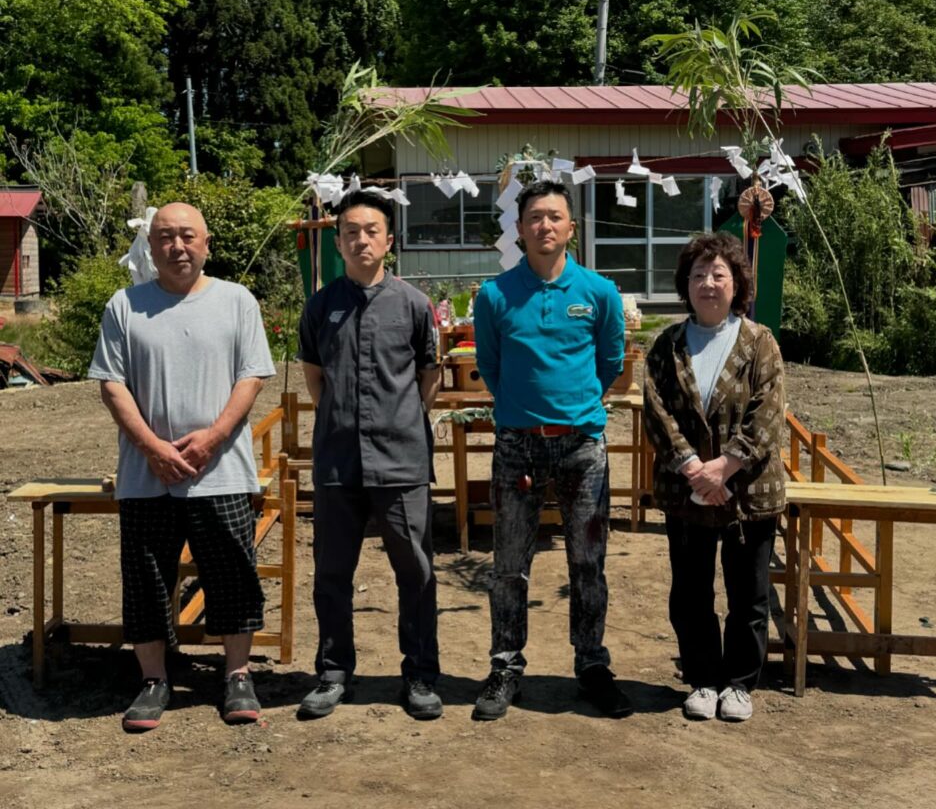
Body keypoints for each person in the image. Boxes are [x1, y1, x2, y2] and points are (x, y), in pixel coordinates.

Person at [89, 202, 276, 732]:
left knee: (232, 574)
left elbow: (251, 378)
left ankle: (237, 674)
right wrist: (153, 447)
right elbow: (111, 384)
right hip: (146, 474)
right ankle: (153, 679)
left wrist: (212, 439)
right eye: (166, 237)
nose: (178, 246)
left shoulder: (236, 301)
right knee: (146, 579)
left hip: (221, 470)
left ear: (206, 243)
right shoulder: (125, 306)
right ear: (150, 247)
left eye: (188, 236)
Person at [471, 180, 632, 721]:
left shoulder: (599, 293)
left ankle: (592, 665)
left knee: (588, 564)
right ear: (519, 229)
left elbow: (610, 363)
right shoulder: (495, 296)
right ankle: (505, 667)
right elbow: (491, 367)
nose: (545, 225)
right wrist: (525, 410)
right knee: (509, 566)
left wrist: (574, 406)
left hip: (582, 447)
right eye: (535, 217)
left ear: (571, 227)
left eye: (555, 216)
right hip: (517, 446)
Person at [297, 190, 443, 721]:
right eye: (351, 232)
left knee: (416, 572)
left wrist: (399, 419)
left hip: (401, 460)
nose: (361, 240)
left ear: (389, 240)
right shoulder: (321, 306)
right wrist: (341, 419)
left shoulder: (413, 304)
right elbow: (315, 377)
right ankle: (334, 672)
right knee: (332, 573)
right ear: (338, 242)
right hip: (338, 461)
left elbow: (429, 375)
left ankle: (421, 674)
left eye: (371, 231)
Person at [643, 231, 785, 723]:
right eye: (698, 274)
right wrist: (692, 467)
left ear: (736, 283)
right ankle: (702, 678)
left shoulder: (759, 342)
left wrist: (725, 466)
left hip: (748, 489)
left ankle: (739, 684)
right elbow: (656, 410)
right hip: (687, 489)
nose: (708, 283)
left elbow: (768, 411)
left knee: (749, 593)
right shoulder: (668, 345)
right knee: (690, 591)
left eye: (718, 274)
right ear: (686, 284)